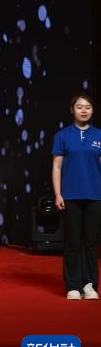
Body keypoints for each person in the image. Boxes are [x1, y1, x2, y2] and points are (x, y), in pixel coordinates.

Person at [51, 94, 101, 300]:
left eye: (88, 107)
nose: (84, 110)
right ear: (72, 110)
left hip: (95, 196)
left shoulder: (99, 135)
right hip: (70, 196)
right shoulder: (62, 135)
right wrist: (58, 194)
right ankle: (72, 285)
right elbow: (57, 167)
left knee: (90, 243)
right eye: (79, 106)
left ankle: (89, 285)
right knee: (72, 242)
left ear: (92, 110)